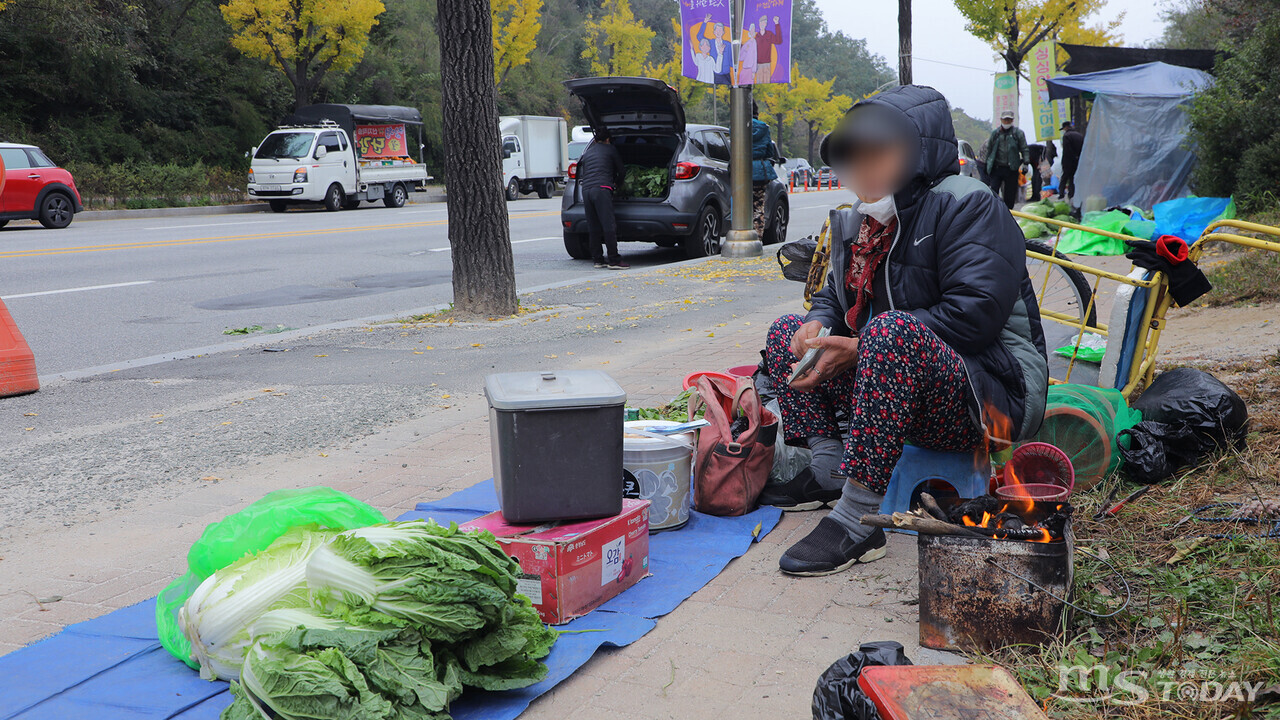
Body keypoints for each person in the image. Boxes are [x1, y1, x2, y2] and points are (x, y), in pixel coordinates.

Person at [757, 86, 1048, 576]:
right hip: (897, 382)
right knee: (785, 330)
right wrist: (816, 326)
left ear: (921, 152)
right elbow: (835, 296)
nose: (865, 169)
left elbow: (973, 315)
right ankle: (827, 469)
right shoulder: (862, 220)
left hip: (992, 397)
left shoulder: (967, 205)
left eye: (881, 153)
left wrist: (860, 346)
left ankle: (857, 518)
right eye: (856, 156)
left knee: (888, 335)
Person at [576, 129, 628, 269]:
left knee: (593, 226)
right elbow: (621, 170)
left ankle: (598, 259)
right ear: (608, 140)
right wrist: (617, 183)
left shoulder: (587, 152)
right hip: (602, 189)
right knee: (608, 225)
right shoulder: (610, 149)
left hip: (586, 191)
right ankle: (614, 260)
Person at [984, 110, 1029, 209]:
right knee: (993, 191)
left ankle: (1008, 212)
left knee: (1010, 194)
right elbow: (989, 150)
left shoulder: (1018, 133)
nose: (1007, 122)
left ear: (1012, 120)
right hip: (997, 168)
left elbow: (1024, 149)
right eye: (1005, 120)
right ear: (1001, 120)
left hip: (1011, 168)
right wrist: (986, 165)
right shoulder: (995, 134)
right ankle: (993, 210)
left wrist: (1026, 163)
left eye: (1009, 120)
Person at [751, 102, 779, 235]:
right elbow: (769, 151)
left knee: (740, 203)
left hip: (739, 171)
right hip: (759, 171)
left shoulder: (735, 126)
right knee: (758, 205)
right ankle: (757, 236)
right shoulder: (763, 128)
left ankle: (742, 231)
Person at [1060, 120, 1084, 203]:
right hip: (1078, 161)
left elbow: (1067, 151)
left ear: (1066, 127)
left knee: (1065, 178)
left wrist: (1065, 163)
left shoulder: (1066, 136)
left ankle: (1061, 194)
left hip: (1069, 161)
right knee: (1073, 179)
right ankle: (1072, 194)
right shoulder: (1079, 135)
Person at [755, 15, 782, 84]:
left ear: (766, 24)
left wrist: (776, 24)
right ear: (759, 23)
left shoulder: (769, 34)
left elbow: (779, 41)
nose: (763, 24)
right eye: (761, 22)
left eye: (764, 22)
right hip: (758, 64)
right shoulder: (756, 36)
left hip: (767, 63)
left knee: (767, 83)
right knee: (759, 84)